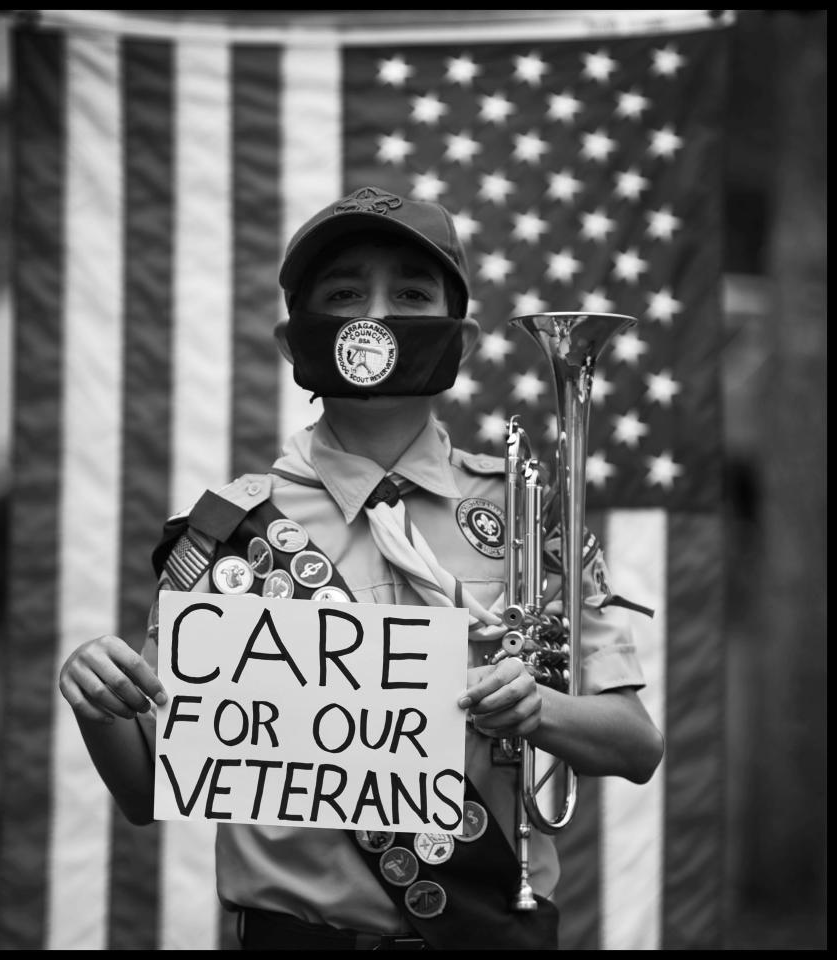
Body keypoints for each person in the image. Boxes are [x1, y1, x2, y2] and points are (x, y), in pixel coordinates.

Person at [58, 185, 664, 950]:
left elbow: (636, 745)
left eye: (411, 294)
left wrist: (534, 709)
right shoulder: (226, 531)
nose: (376, 317)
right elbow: (147, 788)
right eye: (344, 294)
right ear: (293, 340)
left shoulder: (530, 517)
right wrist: (95, 698)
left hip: (486, 932)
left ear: (462, 340)